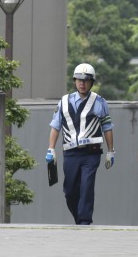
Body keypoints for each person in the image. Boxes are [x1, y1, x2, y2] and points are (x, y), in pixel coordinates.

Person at [45, 63, 115, 225]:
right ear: (74, 81)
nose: (82, 83)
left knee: (86, 186)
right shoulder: (63, 102)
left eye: (86, 80)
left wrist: (111, 151)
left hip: (92, 153)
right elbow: (55, 125)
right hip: (70, 153)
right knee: (69, 191)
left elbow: (107, 127)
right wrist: (51, 148)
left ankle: (84, 220)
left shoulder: (100, 102)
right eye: (79, 80)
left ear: (92, 82)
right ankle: (79, 219)